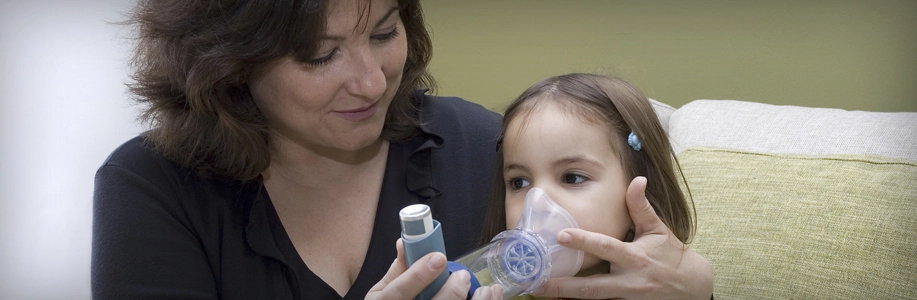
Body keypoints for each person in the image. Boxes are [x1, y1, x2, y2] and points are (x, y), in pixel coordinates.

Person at [92, 0, 711, 298]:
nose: (371, 82)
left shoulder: (488, 148)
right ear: (228, 62)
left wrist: (695, 289)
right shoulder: (152, 190)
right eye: (318, 54)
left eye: (385, 32)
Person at [479, 73, 713, 299]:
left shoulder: (670, 290)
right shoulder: (489, 289)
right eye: (519, 182)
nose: (535, 203)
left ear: (642, 188)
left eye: (572, 178)